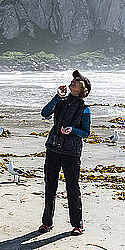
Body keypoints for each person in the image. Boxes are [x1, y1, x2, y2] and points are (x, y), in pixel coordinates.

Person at [38, 70, 91, 236]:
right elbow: (44, 113)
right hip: (53, 148)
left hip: (71, 153)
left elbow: (86, 132)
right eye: (73, 79)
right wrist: (56, 97)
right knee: (50, 187)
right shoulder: (60, 101)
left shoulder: (85, 108)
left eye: (77, 80)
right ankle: (47, 223)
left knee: (72, 189)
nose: (72, 81)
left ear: (83, 88)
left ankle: (78, 224)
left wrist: (72, 130)